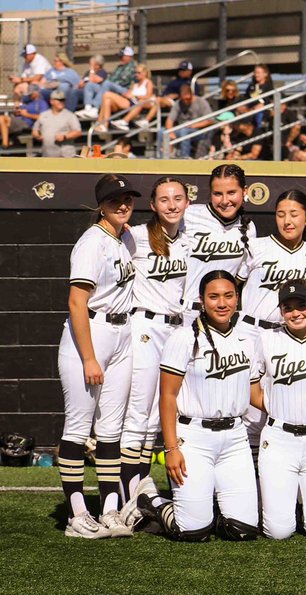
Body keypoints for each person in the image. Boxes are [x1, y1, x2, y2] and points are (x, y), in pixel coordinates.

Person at [134, 270, 260, 542]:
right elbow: (167, 397)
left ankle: (205, 507)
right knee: (192, 533)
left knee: (243, 531)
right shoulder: (184, 338)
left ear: (237, 298)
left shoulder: (248, 340)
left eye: (228, 295)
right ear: (202, 300)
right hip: (194, 438)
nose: (222, 303)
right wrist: (171, 449)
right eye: (213, 297)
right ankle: (154, 502)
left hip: (235, 439)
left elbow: (255, 394)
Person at [57, 174, 138, 539]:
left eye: (128, 199)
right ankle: (76, 513)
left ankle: (109, 509)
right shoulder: (92, 242)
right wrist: (90, 357)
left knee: (110, 430)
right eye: (115, 200)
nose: (123, 205)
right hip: (89, 334)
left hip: (121, 334)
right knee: (77, 428)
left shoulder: (125, 238)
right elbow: (77, 302)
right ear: (100, 205)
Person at [117, 177, 190, 529]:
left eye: (178, 198)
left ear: (188, 202)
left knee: (159, 421)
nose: (172, 205)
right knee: (140, 418)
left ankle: (139, 496)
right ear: (154, 204)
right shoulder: (136, 236)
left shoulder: (191, 236)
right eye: (164, 199)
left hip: (178, 330)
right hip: (144, 327)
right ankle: (127, 499)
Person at [250, 279, 306, 540]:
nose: (295, 312)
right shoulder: (267, 339)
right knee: (279, 532)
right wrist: (279, 409)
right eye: (288, 307)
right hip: (279, 439)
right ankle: (291, 510)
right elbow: (253, 389)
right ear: (281, 311)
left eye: (301, 305)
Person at [238, 190, 306, 453]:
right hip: (251, 330)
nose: (287, 221)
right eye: (281, 214)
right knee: (248, 412)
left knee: (282, 407)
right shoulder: (257, 246)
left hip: (287, 335)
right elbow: (235, 283)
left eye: (294, 214)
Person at [183, 165, 255, 326]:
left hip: (221, 315)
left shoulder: (249, 228)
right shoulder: (189, 215)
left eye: (231, 192)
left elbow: (238, 279)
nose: (224, 201)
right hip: (185, 313)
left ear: (244, 191)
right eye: (217, 194)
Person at [95, 63, 155, 133]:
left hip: (135, 102)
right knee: (107, 100)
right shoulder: (135, 84)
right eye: (135, 73)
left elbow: (148, 96)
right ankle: (104, 125)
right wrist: (126, 95)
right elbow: (129, 94)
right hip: (130, 101)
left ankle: (99, 121)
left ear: (144, 73)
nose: (136, 74)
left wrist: (135, 96)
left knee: (106, 94)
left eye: (139, 73)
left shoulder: (148, 82)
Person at [81, 46, 137, 117]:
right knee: (90, 85)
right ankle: (88, 109)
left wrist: (108, 84)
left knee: (107, 84)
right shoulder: (120, 67)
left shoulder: (132, 66)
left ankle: (95, 109)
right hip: (112, 86)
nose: (120, 58)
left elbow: (123, 81)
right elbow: (110, 78)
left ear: (128, 56)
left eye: (121, 56)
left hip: (124, 90)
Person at [165, 84, 213, 158]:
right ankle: (162, 157)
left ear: (192, 95)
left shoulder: (201, 102)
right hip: (182, 129)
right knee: (163, 132)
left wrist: (194, 125)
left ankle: (184, 157)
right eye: (184, 99)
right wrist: (170, 132)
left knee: (184, 131)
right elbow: (169, 120)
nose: (186, 101)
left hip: (199, 131)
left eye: (188, 99)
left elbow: (210, 120)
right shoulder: (178, 103)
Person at [31, 90, 81, 157]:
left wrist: (65, 137)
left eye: (63, 100)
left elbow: (78, 132)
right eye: (58, 100)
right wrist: (37, 135)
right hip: (48, 154)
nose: (61, 102)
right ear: (51, 101)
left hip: (65, 155)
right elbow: (35, 130)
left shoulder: (70, 115)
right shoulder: (43, 115)